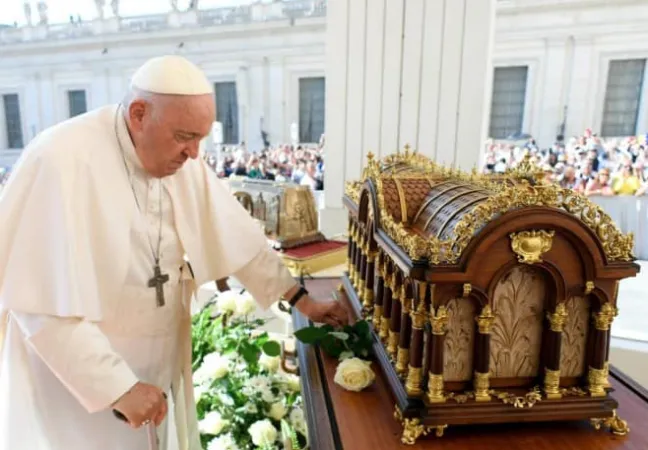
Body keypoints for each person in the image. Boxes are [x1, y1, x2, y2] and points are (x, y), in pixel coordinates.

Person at [0, 55, 349, 450]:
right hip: (75, 392)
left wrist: (301, 300)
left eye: (200, 139)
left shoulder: (178, 160)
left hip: (151, 376)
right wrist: (116, 387)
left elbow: (237, 237)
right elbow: (40, 305)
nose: (195, 154)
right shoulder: (59, 159)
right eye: (185, 137)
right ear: (138, 113)